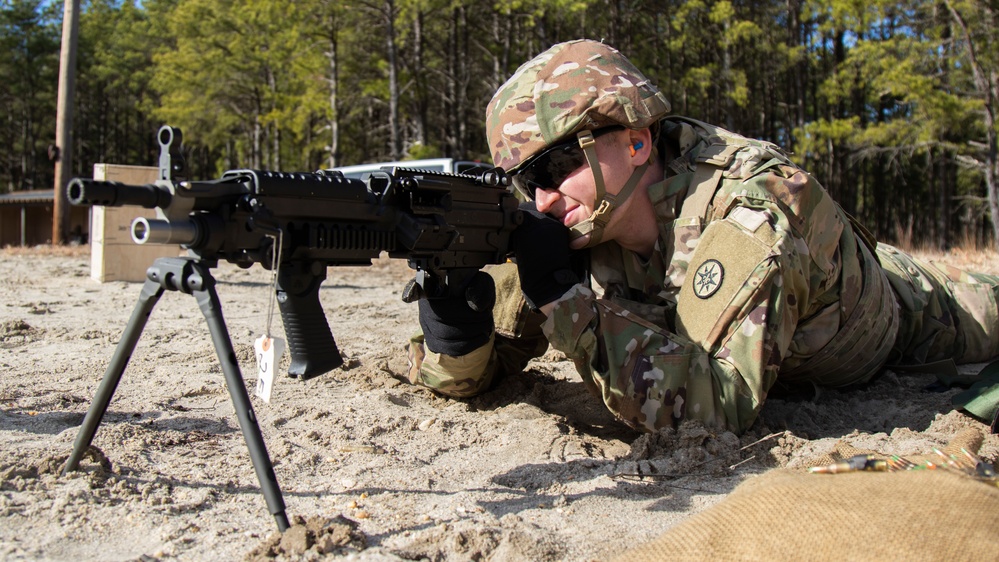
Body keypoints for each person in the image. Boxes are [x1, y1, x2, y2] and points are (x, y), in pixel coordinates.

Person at [406, 39, 999, 434]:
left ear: (637, 141)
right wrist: (457, 330)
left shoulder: (754, 207)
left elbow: (720, 406)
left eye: (557, 166)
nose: (541, 198)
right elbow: (481, 373)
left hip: (911, 316)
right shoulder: (573, 223)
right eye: (526, 179)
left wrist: (567, 302)